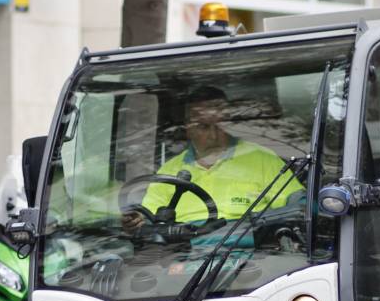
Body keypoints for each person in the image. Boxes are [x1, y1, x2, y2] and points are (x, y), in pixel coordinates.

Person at [123, 86, 302, 232]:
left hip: (247, 248)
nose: (214, 135)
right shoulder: (169, 171)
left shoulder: (263, 159)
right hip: (181, 252)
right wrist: (137, 221)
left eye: (220, 124)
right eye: (204, 127)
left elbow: (298, 204)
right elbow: (149, 215)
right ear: (187, 128)